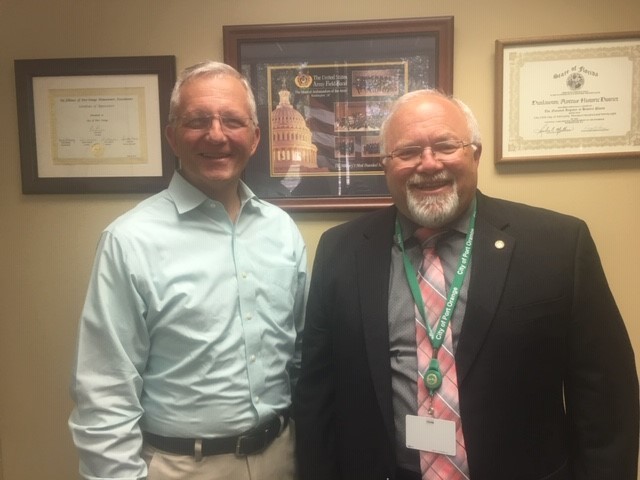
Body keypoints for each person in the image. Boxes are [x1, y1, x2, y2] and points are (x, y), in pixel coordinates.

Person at [294, 89, 639, 480]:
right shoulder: (341, 250)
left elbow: (606, 401)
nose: (428, 163)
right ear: (385, 165)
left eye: (445, 146)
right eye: (407, 152)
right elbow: (316, 394)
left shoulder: (559, 244)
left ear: (474, 154)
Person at [69, 61, 307, 480]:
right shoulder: (129, 241)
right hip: (182, 467)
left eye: (232, 121)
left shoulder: (282, 231)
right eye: (197, 121)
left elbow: (302, 355)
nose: (216, 135)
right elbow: (104, 392)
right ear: (172, 136)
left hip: (282, 458)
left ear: (254, 138)